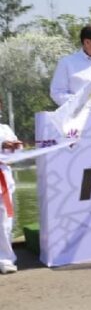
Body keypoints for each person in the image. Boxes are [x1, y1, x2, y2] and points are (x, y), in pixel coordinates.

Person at [0, 110, 23, 275]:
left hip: (3, 179)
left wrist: (16, 147)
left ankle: (5, 259)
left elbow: (16, 156)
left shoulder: (5, 129)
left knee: (4, 223)